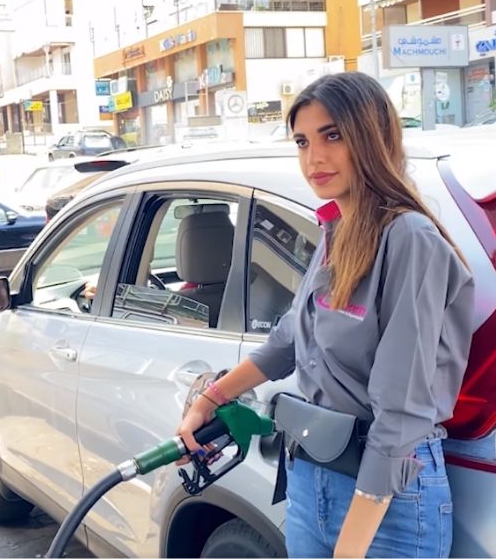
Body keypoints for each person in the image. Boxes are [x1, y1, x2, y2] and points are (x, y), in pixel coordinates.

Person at [175, 72, 475, 558]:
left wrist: (351, 546)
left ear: (371, 136)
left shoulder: (409, 239)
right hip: (312, 477)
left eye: (332, 135)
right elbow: (289, 343)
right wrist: (209, 399)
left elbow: (402, 410)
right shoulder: (336, 232)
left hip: (388, 498)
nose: (314, 158)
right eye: (302, 141)